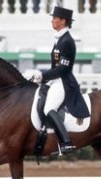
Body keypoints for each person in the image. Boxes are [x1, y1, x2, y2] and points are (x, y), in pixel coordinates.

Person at [32, 6, 90, 155]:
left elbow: (64, 69)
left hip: (64, 81)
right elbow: (55, 65)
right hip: (56, 80)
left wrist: (44, 76)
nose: (52, 21)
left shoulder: (67, 41)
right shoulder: (59, 39)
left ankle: (66, 143)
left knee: (48, 109)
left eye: (55, 18)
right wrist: (44, 79)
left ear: (63, 21)